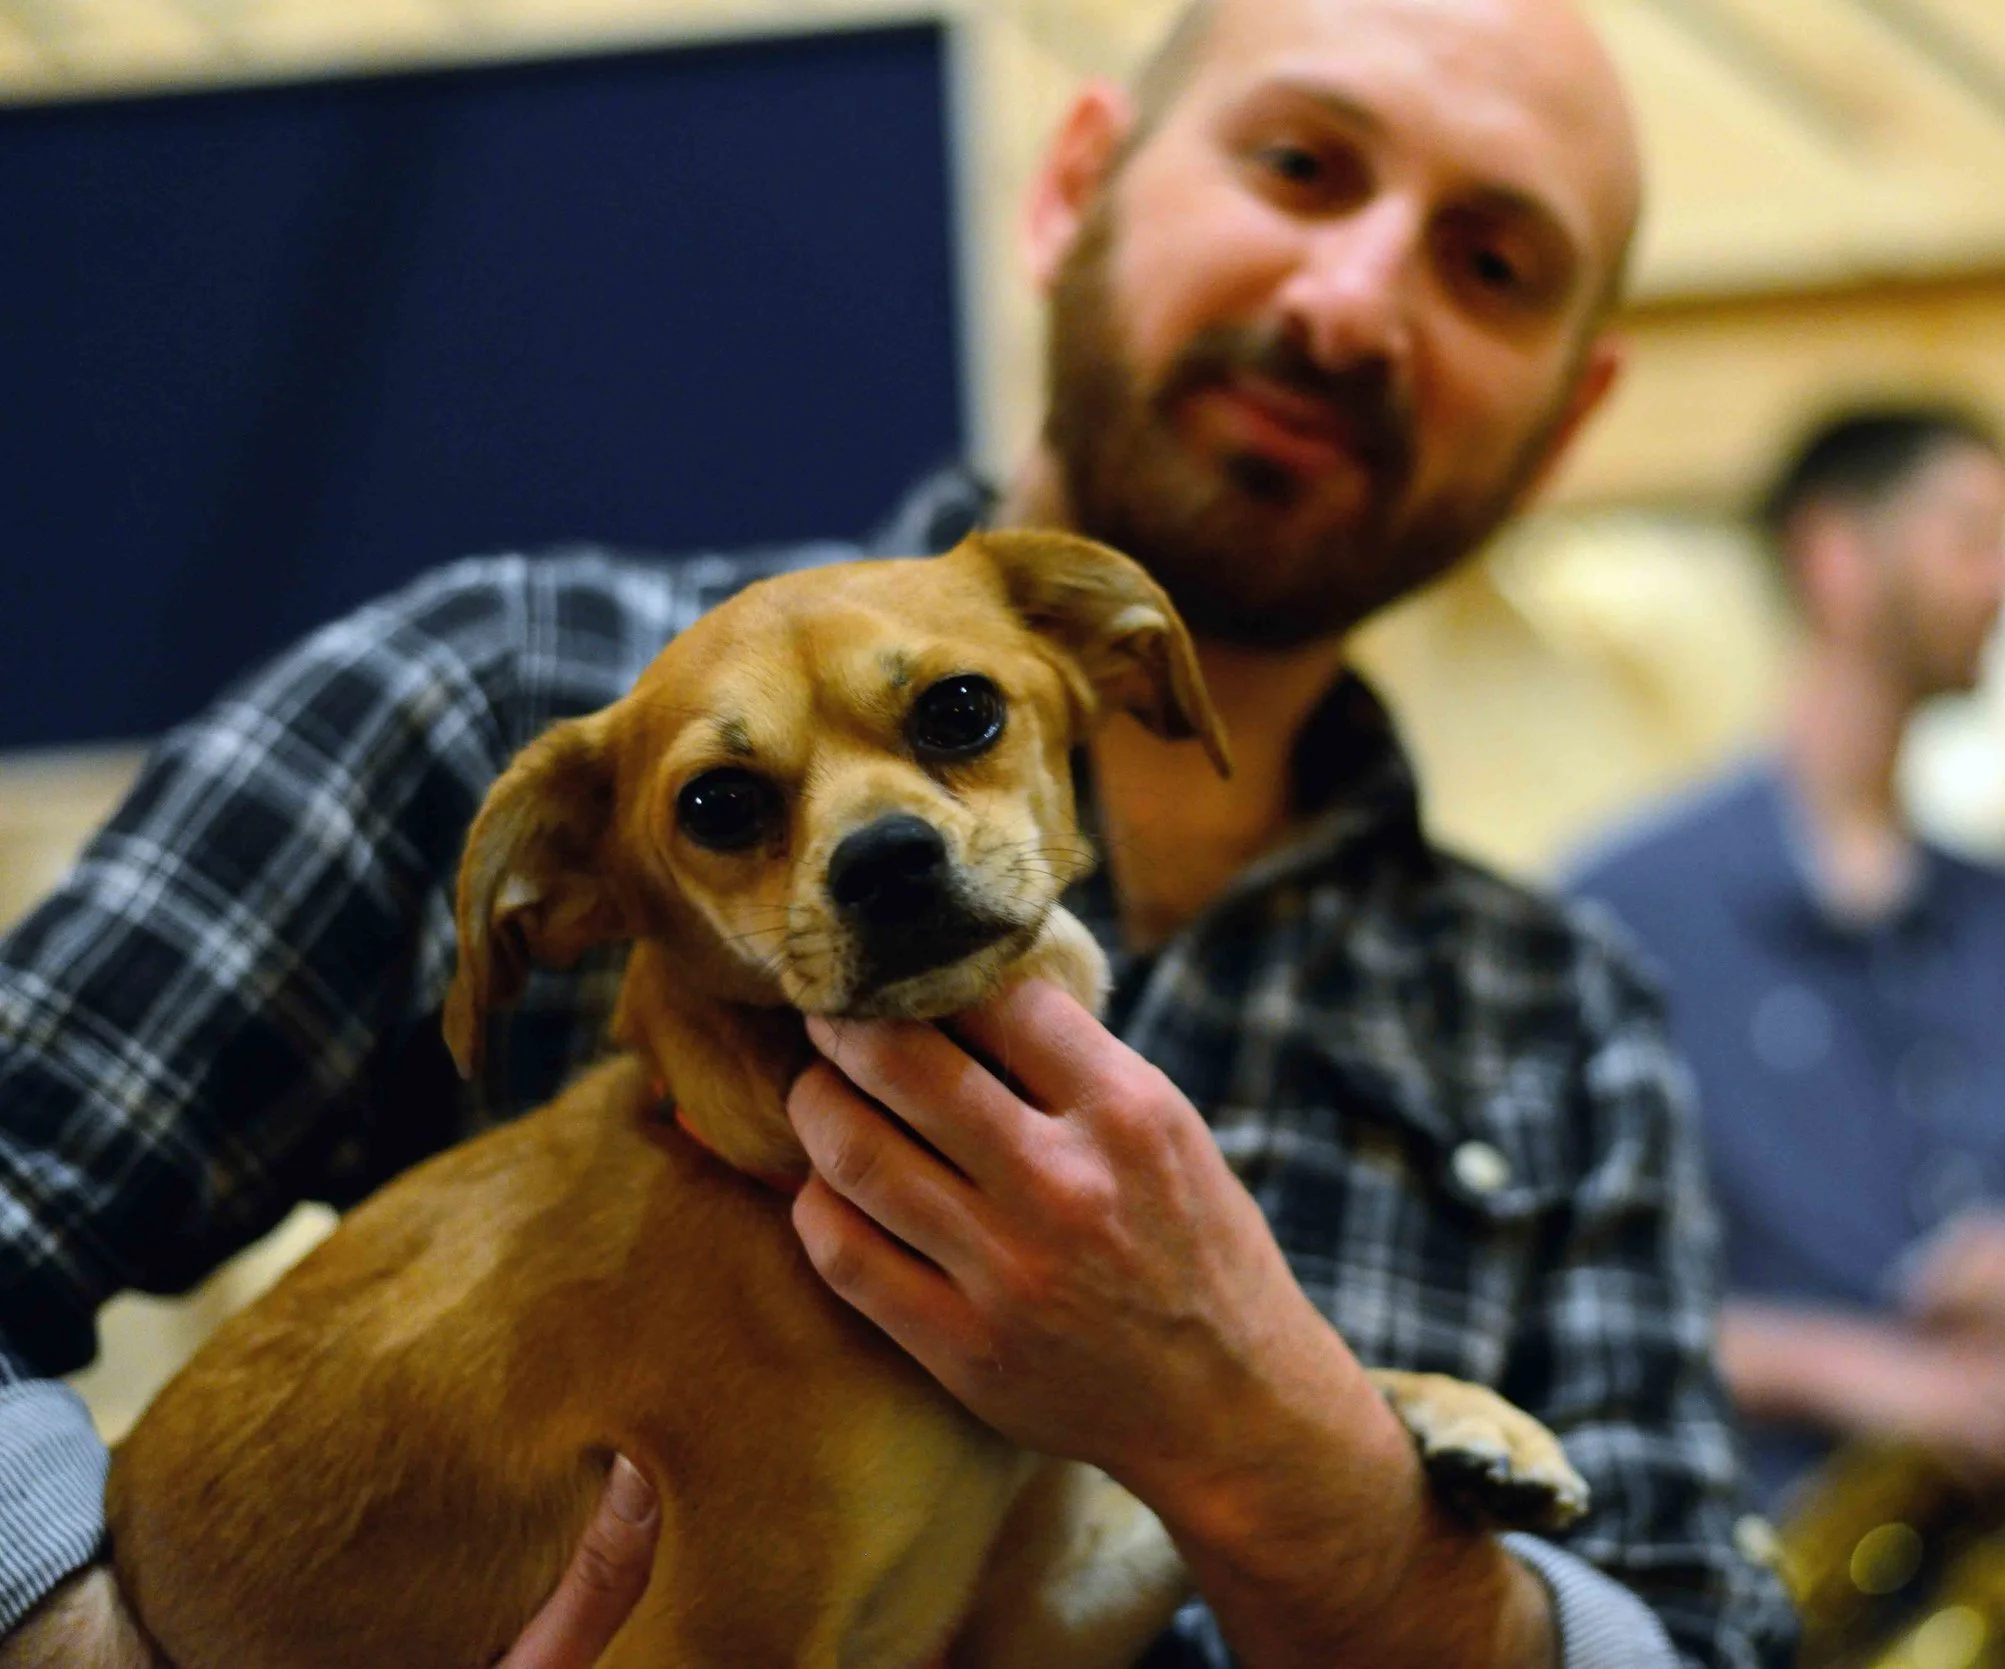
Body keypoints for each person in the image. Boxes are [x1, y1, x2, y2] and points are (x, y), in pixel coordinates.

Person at [0, 1, 1795, 1664]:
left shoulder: (1569, 1018)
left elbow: (1700, 1630)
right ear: (1076, 186)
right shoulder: (489, 699)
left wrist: (1279, 1441)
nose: (1350, 299)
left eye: (1490, 262)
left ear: (1571, 409)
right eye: (1301, 164)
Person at [1564, 407, 2005, 1523]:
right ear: (1833, 556)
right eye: (1973, 536)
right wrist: (1864, 1372)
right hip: (1802, 1578)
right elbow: (1558, 1302)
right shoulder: (1622, 910)